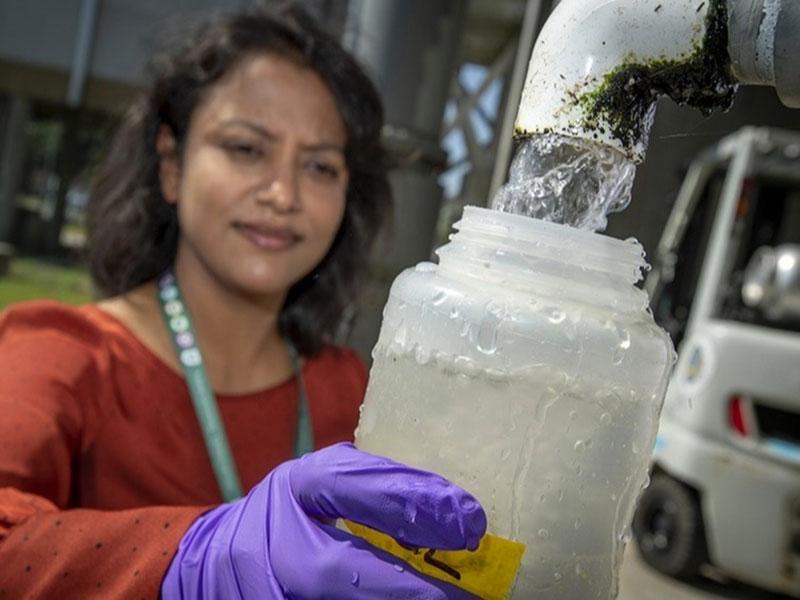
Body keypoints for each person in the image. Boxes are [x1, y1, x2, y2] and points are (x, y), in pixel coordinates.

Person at [0, 4, 486, 599]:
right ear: (172, 164)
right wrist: (191, 561)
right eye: (246, 148)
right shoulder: (62, 354)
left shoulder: (348, 389)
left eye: (319, 166)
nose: (283, 194)